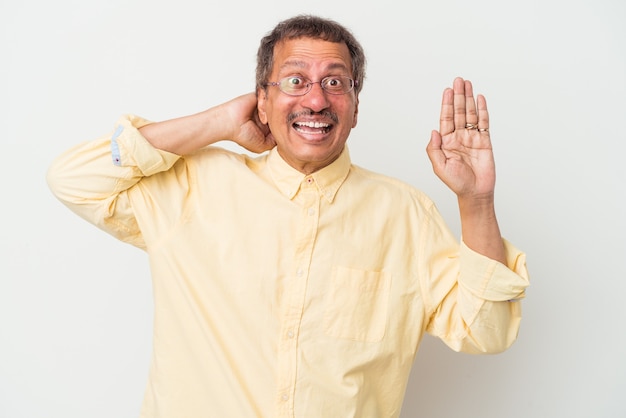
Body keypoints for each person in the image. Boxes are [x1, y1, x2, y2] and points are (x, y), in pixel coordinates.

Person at [47, 14, 529, 418]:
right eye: (295, 81)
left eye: (335, 82)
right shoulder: (193, 186)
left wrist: (476, 201)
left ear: (356, 105)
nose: (316, 100)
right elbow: (73, 178)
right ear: (263, 98)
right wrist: (215, 123)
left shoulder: (405, 214)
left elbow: (486, 332)